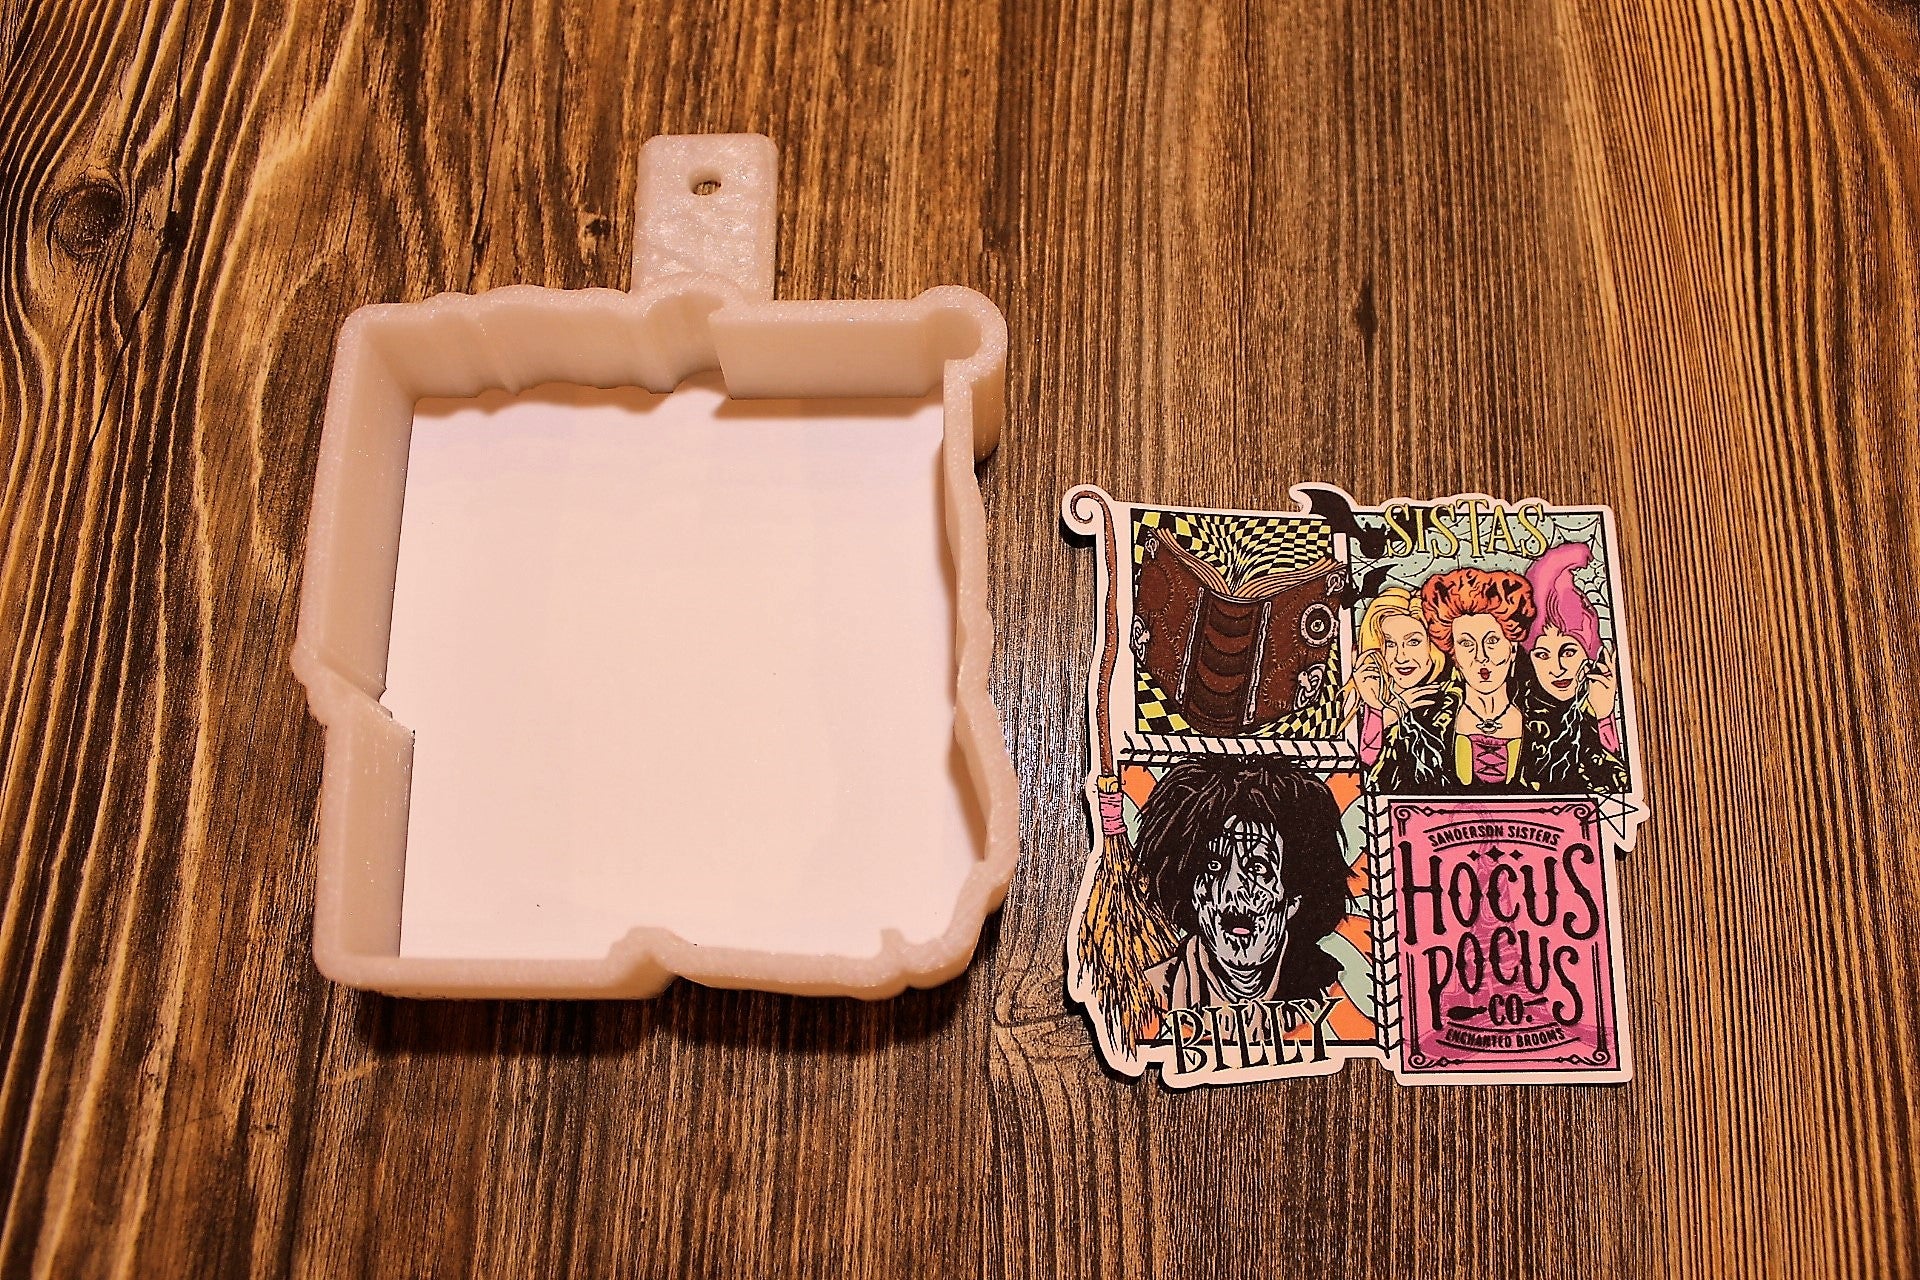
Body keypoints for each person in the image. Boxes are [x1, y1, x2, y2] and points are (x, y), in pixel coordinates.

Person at [1374, 566, 1628, 793]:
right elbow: (1382, 793)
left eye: (1493, 641)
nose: (1481, 656)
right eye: (1466, 643)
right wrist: (1383, 721)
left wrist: (1603, 718)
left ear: (1513, 647)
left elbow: (1608, 789)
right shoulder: (1423, 723)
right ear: (1453, 653)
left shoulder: (1555, 723)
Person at [1134, 756, 1352, 1009]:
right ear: (1193, 891)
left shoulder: (1333, 989)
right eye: (1214, 866)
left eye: (1257, 868)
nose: (1233, 889)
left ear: (1293, 898)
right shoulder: (1152, 993)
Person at [1523, 542, 1622, 753]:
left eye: (1568, 652)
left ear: (1589, 653)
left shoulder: (1599, 703)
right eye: (1542, 655)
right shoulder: (1521, 715)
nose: (1557, 669)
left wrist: (1603, 716)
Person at [1349, 588, 1442, 767]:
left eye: (1413, 642)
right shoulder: (1365, 693)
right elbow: (1365, 764)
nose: (1401, 657)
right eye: (1389, 644)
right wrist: (1380, 712)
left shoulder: (1450, 695)